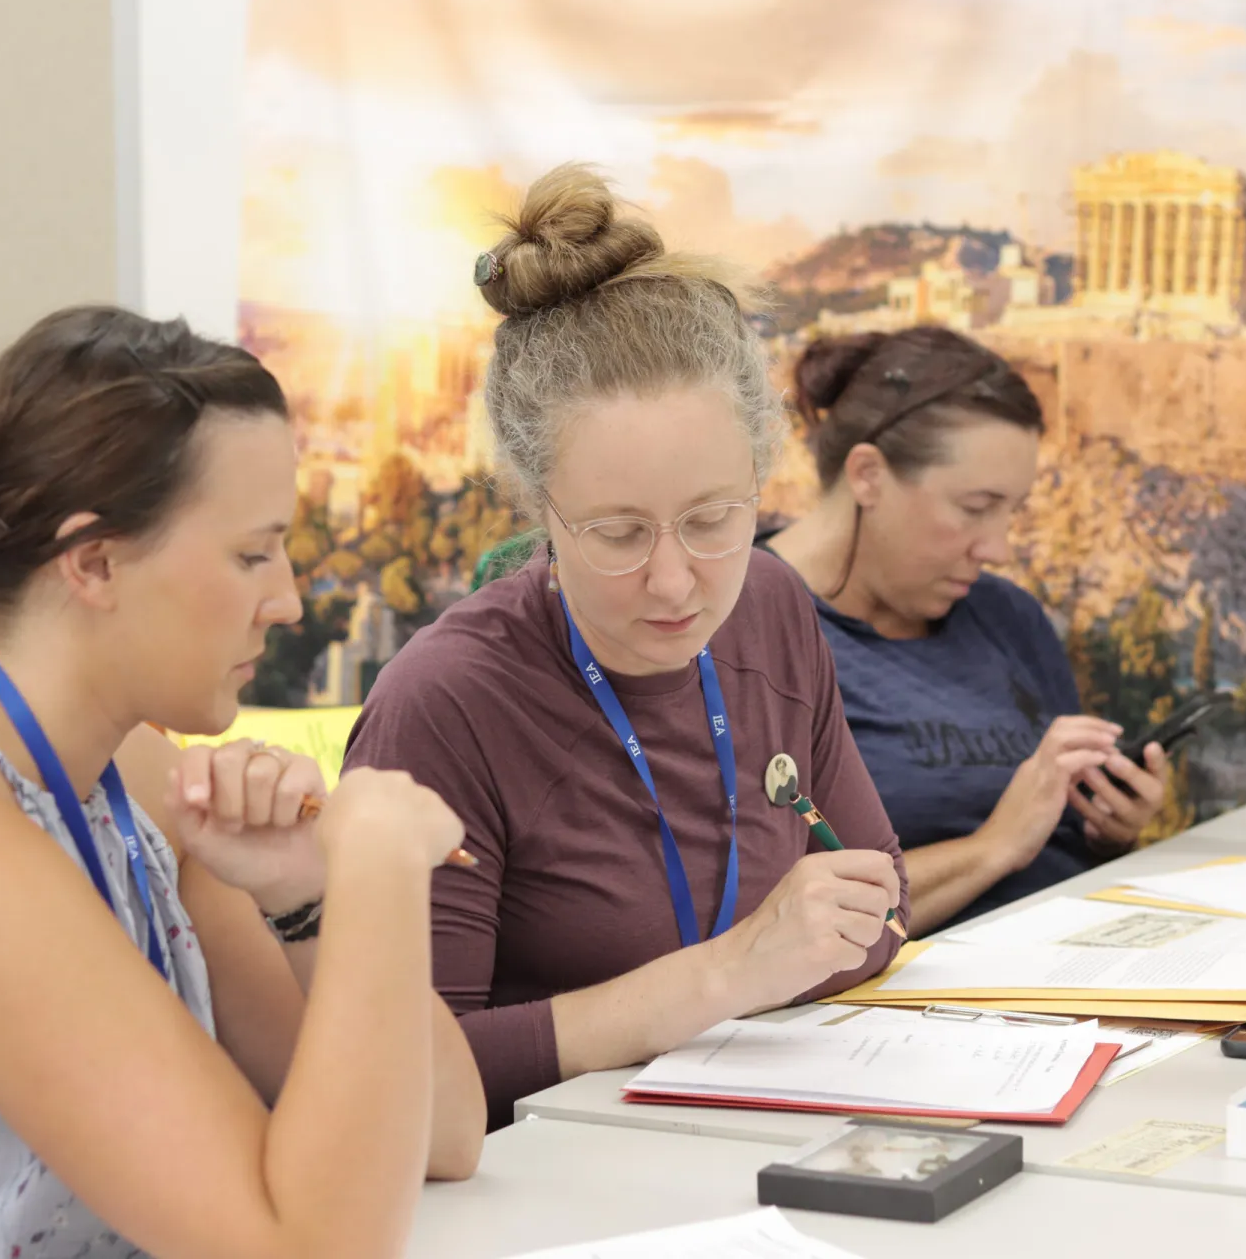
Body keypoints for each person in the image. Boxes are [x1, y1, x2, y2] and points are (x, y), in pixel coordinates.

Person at [0, 307, 485, 1257]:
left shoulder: (127, 774)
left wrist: (305, 896)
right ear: (93, 562)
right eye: (252, 554)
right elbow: (312, 1249)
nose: (285, 599)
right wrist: (374, 866)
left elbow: (444, 1134)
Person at [343, 165, 908, 1129]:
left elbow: (879, 903)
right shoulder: (445, 703)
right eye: (616, 533)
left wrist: (817, 940)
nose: (675, 582)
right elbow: (397, 1078)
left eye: (713, 518)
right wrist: (722, 976)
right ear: (537, 509)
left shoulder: (767, 604)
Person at [766, 326, 1175, 937]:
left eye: (1012, 510)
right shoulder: (750, 635)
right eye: (976, 507)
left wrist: (1107, 827)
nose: (1000, 547)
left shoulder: (1005, 615)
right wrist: (994, 846)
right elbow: (769, 922)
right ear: (868, 476)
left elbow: (1060, 847)